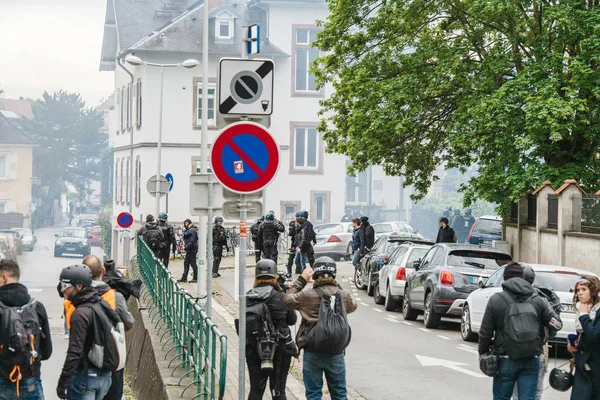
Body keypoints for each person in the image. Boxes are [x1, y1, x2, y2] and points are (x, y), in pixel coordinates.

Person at [478, 262, 562, 400]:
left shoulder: (496, 300)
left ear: (505, 278)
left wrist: (483, 354)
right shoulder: (538, 301)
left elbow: (485, 334)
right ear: (524, 278)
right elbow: (557, 324)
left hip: (504, 358)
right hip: (531, 358)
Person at [284, 257, 357, 400]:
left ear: (315, 274)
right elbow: (353, 306)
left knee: (313, 394)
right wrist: (336, 287)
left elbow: (288, 300)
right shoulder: (343, 296)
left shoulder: (307, 295)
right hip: (336, 352)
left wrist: (302, 280)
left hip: (313, 350)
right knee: (340, 394)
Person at [56, 264, 113, 399]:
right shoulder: (101, 304)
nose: (62, 291)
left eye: (65, 286)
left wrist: (63, 382)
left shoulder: (80, 314)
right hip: (104, 377)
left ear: (79, 286)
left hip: (85, 377)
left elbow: (75, 352)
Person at [82, 255, 134, 400]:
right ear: (103, 271)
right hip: (111, 357)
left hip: (84, 362)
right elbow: (129, 322)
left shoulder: (76, 297)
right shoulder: (115, 297)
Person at [245, 259, 297, 400]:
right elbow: (292, 320)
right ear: (274, 277)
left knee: (256, 389)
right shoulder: (281, 297)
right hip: (279, 347)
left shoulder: (248, 297)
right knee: (278, 390)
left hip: (254, 347)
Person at [0, 259, 52, 400]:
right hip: (31, 380)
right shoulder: (37, 307)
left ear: (4, 278)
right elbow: (47, 352)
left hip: (2, 380)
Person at [513, 264, 561, 400]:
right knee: (535, 391)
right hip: (537, 349)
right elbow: (556, 324)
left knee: (515, 392)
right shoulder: (541, 300)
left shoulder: (503, 297)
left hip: (511, 349)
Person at [568, 276, 600, 400]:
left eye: (583, 289)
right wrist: (573, 344)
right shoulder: (582, 308)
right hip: (582, 367)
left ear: (592, 291)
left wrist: (584, 315)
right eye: (578, 290)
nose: (579, 293)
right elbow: (583, 334)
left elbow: (594, 336)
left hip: (596, 368)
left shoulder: (596, 311)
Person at [178, 219, 198, 283]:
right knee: (186, 263)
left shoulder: (192, 231)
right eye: (185, 223)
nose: (186, 224)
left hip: (192, 249)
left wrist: (186, 248)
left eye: (187, 223)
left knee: (193, 263)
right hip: (190, 249)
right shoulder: (190, 230)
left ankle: (195, 278)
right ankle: (184, 277)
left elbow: (192, 241)